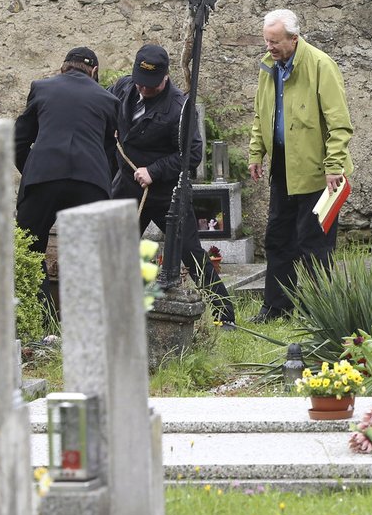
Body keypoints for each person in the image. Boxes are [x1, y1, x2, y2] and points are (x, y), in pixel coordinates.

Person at [110, 43, 235, 325]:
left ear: (165, 77)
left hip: (167, 193)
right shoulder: (123, 88)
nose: (143, 89)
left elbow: (192, 154)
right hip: (128, 190)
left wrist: (154, 171)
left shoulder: (180, 107)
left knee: (190, 251)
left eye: (150, 86)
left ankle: (224, 313)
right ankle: (117, 312)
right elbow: (107, 110)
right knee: (116, 248)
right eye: (140, 83)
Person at [248, 9, 353, 322]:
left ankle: (320, 311)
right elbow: (260, 115)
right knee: (277, 238)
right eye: (267, 41)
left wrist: (334, 165)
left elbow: (339, 123)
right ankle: (276, 306)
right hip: (282, 166)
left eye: (276, 42)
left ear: (294, 39)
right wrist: (256, 153)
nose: (270, 47)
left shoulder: (321, 65)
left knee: (314, 243)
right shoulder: (269, 67)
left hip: (320, 171)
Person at [15, 47, 119, 255]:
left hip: (43, 178)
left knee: (27, 253)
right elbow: (111, 154)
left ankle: (39, 289)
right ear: (94, 70)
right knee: (87, 258)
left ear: (62, 68)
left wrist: (32, 170)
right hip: (91, 183)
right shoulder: (109, 100)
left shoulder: (41, 88)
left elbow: (18, 141)